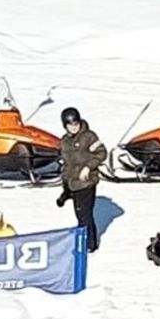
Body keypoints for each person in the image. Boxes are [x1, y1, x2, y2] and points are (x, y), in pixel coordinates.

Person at [58, 106, 107, 253]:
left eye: (76, 124)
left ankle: (88, 244)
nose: (74, 128)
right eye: (70, 125)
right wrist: (65, 184)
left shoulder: (88, 137)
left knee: (84, 214)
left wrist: (88, 167)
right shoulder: (65, 141)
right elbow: (67, 164)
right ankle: (87, 240)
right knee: (81, 214)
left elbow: (101, 153)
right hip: (72, 183)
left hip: (86, 182)